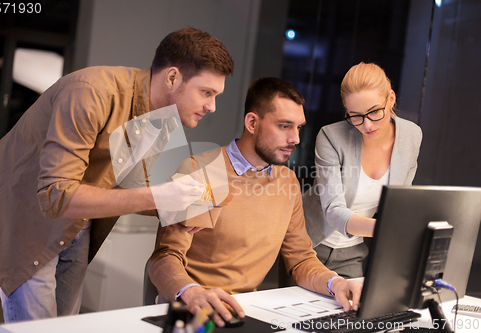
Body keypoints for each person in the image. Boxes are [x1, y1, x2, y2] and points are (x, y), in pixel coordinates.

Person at [0, 27, 234, 322]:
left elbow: (139, 188)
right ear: (173, 77)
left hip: (77, 220)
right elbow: (56, 195)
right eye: (207, 92)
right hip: (25, 213)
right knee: (38, 329)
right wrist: (159, 197)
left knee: (66, 325)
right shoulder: (90, 92)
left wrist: (181, 206)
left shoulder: (163, 117)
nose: (212, 106)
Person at [148, 77, 362, 328]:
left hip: (246, 312)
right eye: (284, 126)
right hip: (193, 310)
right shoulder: (201, 171)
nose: (295, 139)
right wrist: (192, 292)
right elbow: (165, 257)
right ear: (252, 122)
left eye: (299, 128)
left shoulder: (288, 181)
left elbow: (301, 259)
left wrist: (336, 283)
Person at [302, 62, 422, 278]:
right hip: (307, 247)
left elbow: (400, 203)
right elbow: (333, 210)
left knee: (355, 309)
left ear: (391, 99)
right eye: (355, 115)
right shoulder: (331, 137)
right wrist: (384, 228)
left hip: (353, 252)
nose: (367, 125)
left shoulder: (411, 136)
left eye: (374, 111)